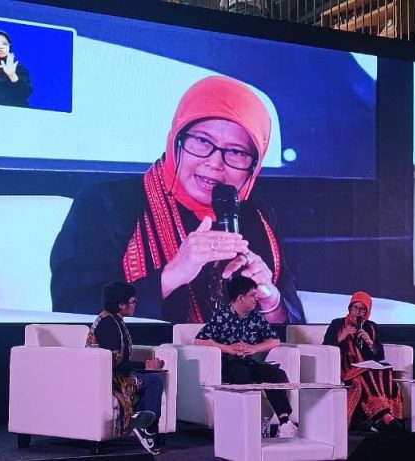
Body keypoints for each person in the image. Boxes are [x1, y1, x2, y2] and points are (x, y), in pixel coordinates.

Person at [51, 76, 305, 324]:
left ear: (254, 165)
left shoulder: (257, 216)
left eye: (237, 152)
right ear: (176, 141)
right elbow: (73, 309)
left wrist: (270, 301)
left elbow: (295, 325)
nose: (215, 163)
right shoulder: (105, 204)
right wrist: (170, 277)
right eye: (203, 141)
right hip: (142, 352)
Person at [194, 275, 298, 438]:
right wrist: (228, 348)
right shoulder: (221, 317)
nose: (256, 299)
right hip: (227, 363)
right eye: (252, 295)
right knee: (241, 373)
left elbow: (275, 340)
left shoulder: (256, 317)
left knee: (275, 373)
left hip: (249, 362)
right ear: (241, 298)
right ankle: (248, 421)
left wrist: (254, 348)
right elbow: (199, 340)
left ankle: (284, 422)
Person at [86, 281, 165, 454]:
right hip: (109, 378)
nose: (135, 305)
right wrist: (145, 365)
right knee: (154, 380)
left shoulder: (114, 320)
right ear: (121, 305)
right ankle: (147, 428)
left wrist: (147, 366)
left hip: (116, 373)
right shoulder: (108, 324)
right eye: (133, 301)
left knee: (153, 377)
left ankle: (144, 425)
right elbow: (114, 363)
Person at [322, 291, 404, 432]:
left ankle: (387, 415)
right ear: (350, 308)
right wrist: (342, 336)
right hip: (347, 367)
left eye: (362, 309)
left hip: (367, 366)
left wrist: (370, 342)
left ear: (368, 311)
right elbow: (325, 348)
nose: (358, 312)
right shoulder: (337, 324)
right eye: (355, 308)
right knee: (368, 373)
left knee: (385, 369)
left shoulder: (371, 327)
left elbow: (380, 355)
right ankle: (383, 415)